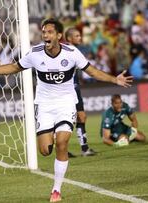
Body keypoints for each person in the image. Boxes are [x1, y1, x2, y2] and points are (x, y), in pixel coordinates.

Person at [0, 18, 133, 202]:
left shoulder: (71, 53)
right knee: (45, 151)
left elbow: (92, 71)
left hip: (66, 103)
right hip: (44, 105)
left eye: (49, 32)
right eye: (44, 32)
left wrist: (114, 80)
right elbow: (14, 67)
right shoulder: (35, 53)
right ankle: (52, 134)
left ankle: (56, 190)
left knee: (62, 143)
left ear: (59, 36)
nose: (45, 35)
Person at [64, 27, 96, 157]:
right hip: (66, 90)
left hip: (75, 88)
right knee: (66, 120)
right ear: (69, 38)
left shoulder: (75, 51)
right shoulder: (64, 51)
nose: (80, 38)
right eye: (77, 36)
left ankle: (85, 149)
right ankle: (62, 150)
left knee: (81, 117)